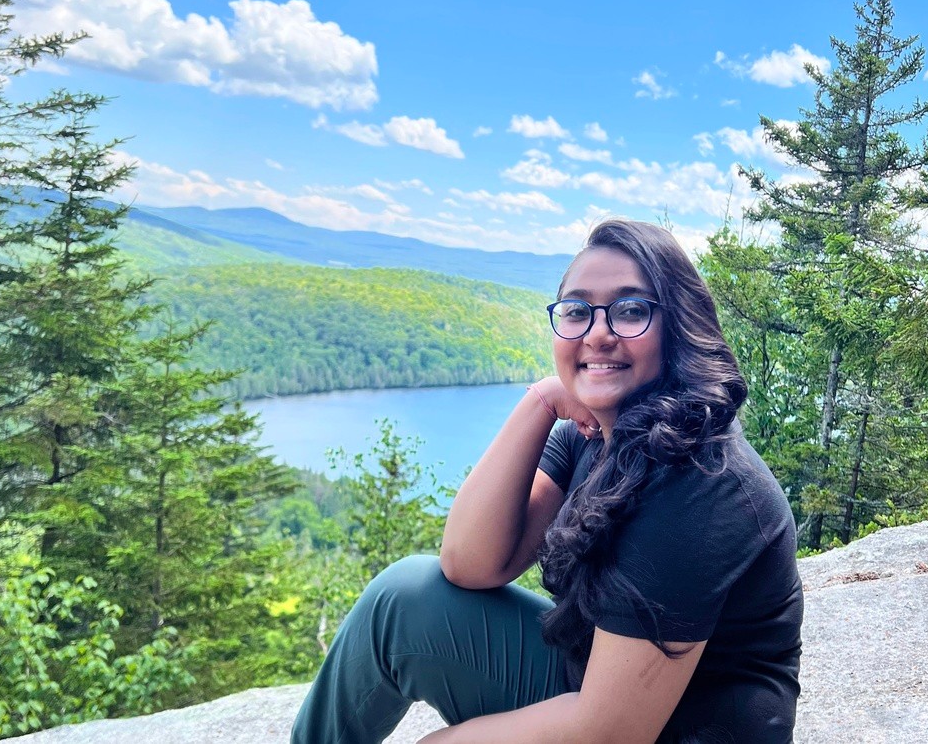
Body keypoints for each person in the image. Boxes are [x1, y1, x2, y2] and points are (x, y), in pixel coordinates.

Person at [291, 219, 803, 744]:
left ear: (677, 327)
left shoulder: (700, 481)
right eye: (578, 311)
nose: (597, 333)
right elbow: (471, 564)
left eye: (631, 309)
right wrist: (540, 401)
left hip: (684, 731)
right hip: (594, 689)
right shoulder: (595, 435)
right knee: (405, 599)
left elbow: (612, 732)